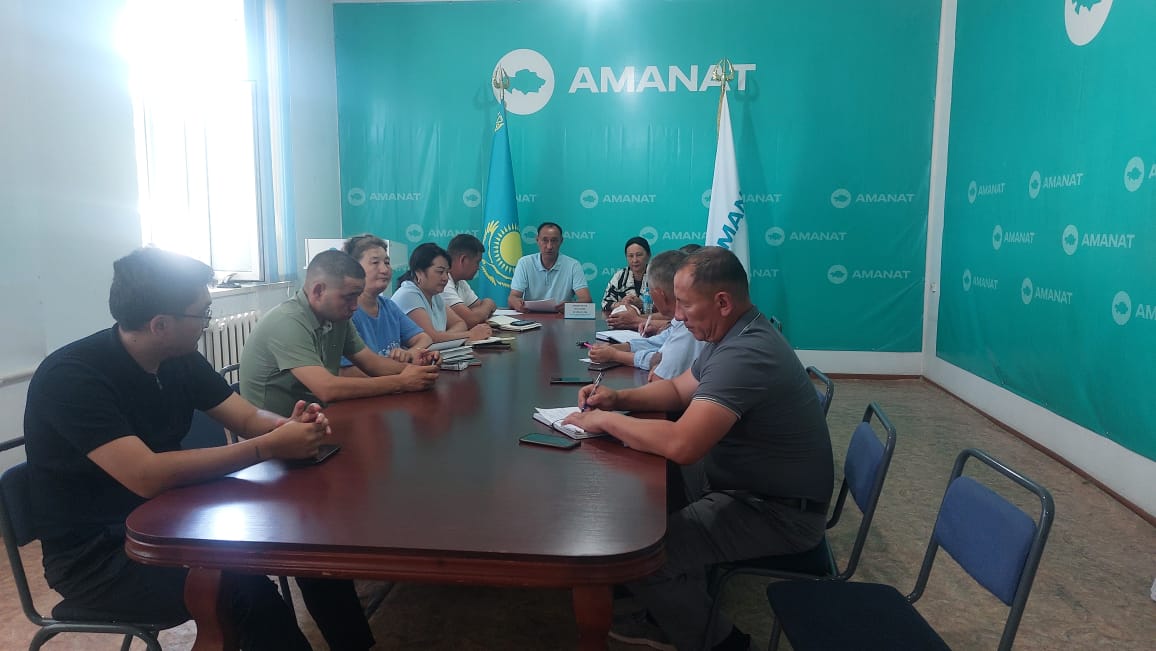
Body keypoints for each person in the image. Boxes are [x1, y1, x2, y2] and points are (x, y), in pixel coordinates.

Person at [23, 247, 333, 651]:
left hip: (171, 519)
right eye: (203, 313)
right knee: (238, 587)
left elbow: (246, 417)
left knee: (293, 542)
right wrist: (268, 447)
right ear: (160, 325)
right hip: (99, 557)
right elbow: (146, 476)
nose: (208, 322)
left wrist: (289, 427)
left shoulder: (177, 358)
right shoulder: (72, 377)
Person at [563, 247, 834, 651]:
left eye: (685, 305)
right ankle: (670, 599)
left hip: (777, 512)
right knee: (649, 490)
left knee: (647, 555)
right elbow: (676, 390)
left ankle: (723, 642)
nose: (677, 316)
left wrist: (604, 422)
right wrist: (617, 400)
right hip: (748, 485)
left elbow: (683, 444)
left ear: (722, 302)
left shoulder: (746, 353)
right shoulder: (732, 334)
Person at [241, 249, 439, 417]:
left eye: (357, 296)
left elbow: (373, 364)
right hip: (273, 433)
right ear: (318, 291)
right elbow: (327, 388)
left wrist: (417, 370)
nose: (354, 306)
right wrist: (402, 381)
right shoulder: (287, 322)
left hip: (317, 419)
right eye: (348, 297)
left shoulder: (337, 318)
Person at [589, 249, 704, 382]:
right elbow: (659, 342)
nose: (635, 259)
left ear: (659, 294)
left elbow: (659, 362)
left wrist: (615, 355)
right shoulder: (681, 321)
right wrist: (616, 348)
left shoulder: (690, 324)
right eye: (630, 256)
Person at [340, 233, 435, 377]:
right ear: (353, 268)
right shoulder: (345, 312)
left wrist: (409, 355)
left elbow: (424, 338)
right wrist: (406, 367)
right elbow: (349, 372)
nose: (384, 270)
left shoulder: (388, 306)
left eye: (387, 262)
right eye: (375, 263)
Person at [392, 242, 492, 343]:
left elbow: (460, 323)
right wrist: (469, 334)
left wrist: (444, 337)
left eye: (447, 272)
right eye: (440, 272)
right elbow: (430, 337)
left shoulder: (435, 295)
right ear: (419, 273)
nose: (445, 278)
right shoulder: (408, 295)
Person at [508, 222, 593, 312]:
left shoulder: (573, 265)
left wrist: (570, 306)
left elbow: (586, 299)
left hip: (561, 316)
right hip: (530, 316)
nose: (549, 246)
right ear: (537, 240)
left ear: (561, 241)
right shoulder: (524, 263)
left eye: (554, 240)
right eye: (545, 240)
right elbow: (513, 297)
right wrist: (516, 303)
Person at [442, 233, 498, 328]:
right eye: (477, 262)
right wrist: (488, 303)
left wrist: (479, 310)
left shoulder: (461, 282)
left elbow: (479, 307)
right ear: (463, 260)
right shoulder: (443, 283)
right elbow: (471, 320)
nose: (478, 268)